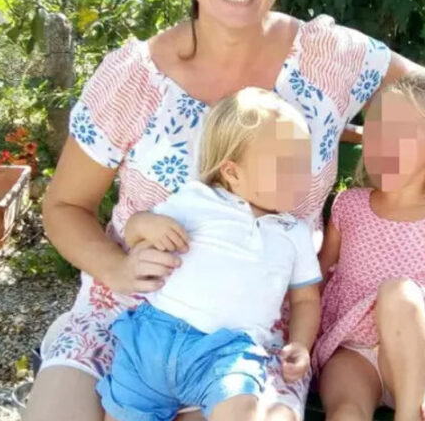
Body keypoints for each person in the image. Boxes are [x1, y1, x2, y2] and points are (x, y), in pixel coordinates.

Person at [27, 0, 425, 421]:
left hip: (252, 342)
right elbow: (63, 208)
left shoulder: (328, 58)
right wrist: (118, 267)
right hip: (123, 315)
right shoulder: (134, 76)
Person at [98, 88, 320, 421]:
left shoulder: (294, 233)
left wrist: (301, 345)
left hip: (227, 354)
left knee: (241, 410)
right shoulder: (194, 200)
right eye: (284, 166)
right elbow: (132, 230)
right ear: (232, 172)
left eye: (302, 164)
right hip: (153, 337)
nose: (300, 177)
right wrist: (149, 224)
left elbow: (306, 300)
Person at [315, 74, 425, 421]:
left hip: (414, 362)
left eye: (400, 135)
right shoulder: (349, 206)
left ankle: (408, 415)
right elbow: (316, 281)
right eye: (375, 132)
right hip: (351, 350)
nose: (382, 144)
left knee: (399, 293)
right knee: (344, 413)